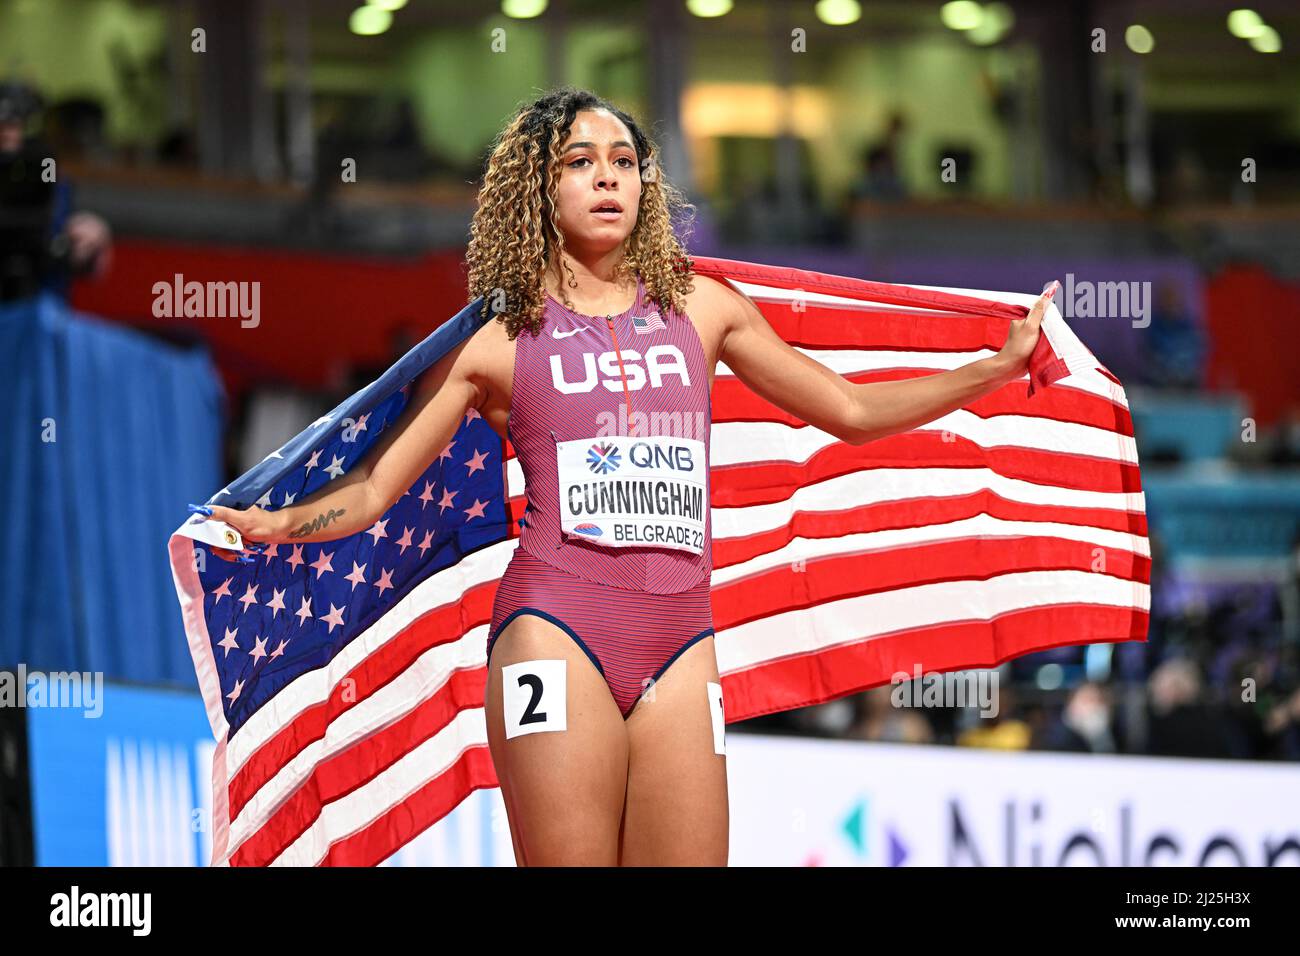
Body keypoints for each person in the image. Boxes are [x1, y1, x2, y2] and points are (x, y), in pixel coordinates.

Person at [194, 87, 1052, 866]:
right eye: (580, 163)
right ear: (541, 191)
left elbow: (851, 411)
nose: (608, 179)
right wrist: (274, 524)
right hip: (554, 631)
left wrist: (992, 370)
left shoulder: (705, 309)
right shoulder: (495, 344)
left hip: (682, 643)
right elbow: (378, 489)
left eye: (624, 162)